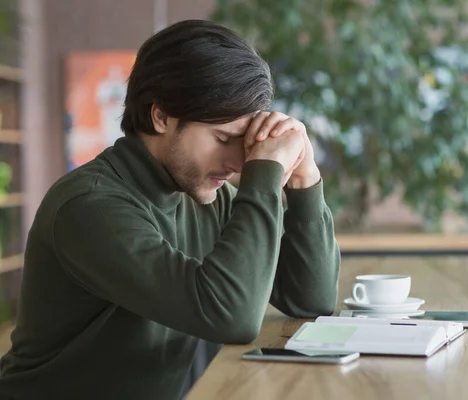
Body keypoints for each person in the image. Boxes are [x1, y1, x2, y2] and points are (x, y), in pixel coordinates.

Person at [0, 19, 340, 399]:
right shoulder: (90, 206)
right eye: (223, 138)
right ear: (160, 116)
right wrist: (264, 174)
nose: (237, 163)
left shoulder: (204, 194)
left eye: (244, 142)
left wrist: (303, 177)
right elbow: (232, 317)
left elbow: (311, 298)